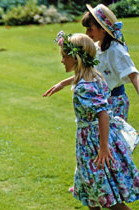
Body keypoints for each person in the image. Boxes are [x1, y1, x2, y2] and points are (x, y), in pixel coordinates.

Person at [53, 32, 139, 209]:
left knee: (105, 194)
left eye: (64, 56)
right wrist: (62, 83)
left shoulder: (85, 87)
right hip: (87, 142)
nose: (62, 60)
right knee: (92, 192)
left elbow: (103, 114)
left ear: (76, 58)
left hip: (93, 143)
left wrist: (103, 147)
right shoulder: (95, 76)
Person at [44, 4, 139, 122]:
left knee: (112, 138)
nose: (87, 33)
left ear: (103, 29)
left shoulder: (116, 50)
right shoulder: (95, 48)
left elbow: (133, 75)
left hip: (114, 103)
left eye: (90, 29)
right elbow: (89, 74)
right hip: (98, 100)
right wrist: (63, 83)